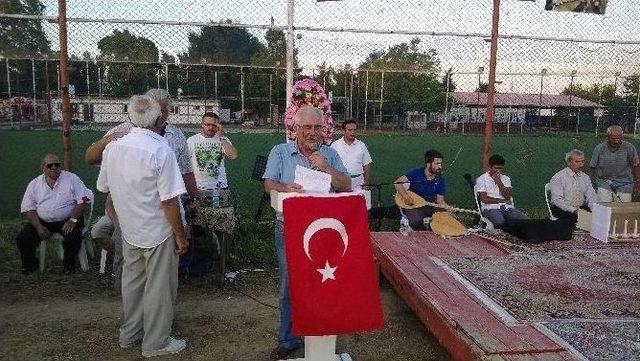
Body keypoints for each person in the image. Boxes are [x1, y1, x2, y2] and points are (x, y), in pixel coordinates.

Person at [97, 94, 189, 358]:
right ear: (160, 118)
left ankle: (130, 334)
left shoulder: (113, 147)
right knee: (160, 288)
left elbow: (105, 187)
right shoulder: (161, 150)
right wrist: (180, 235)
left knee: (133, 284)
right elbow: (169, 201)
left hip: (129, 227)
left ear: (130, 116)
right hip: (158, 230)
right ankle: (156, 342)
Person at [85, 88, 198, 288]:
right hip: (127, 211)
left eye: (165, 110)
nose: (161, 115)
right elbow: (90, 158)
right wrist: (104, 142)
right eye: (157, 110)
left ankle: (148, 304)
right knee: (127, 260)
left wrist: (195, 198)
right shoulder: (121, 132)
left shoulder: (176, 135)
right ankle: (129, 302)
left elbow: (186, 171)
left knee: (159, 267)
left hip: (162, 214)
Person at [263, 105, 351, 360]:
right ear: (296, 129)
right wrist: (285, 188)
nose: (313, 133)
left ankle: (321, 334)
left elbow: (346, 186)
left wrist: (326, 167)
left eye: (317, 128)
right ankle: (289, 339)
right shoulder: (280, 152)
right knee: (289, 286)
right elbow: (269, 185)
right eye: (308, 128)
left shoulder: (330, 154)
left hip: (326, 232)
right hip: (289, 228)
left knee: (324, 283)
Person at [16, 154, 92, 274]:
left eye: (57, 164)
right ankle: (30, 265)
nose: (54, 167)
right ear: (43, 168)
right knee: (23, 238)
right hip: (43, 221)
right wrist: (38, 227)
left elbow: (84, 200)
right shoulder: (34, 184)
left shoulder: (72, 179)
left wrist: (73, 220)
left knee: (73, 236)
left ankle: (69, 264)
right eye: (50, 165)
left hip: (69, 219)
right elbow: (28, 209)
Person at [394, 149, 448, 230]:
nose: (440, 167)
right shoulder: (416, 173)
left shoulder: (440, 179)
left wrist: (447, 208)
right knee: (415, 221)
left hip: (429, 206)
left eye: (440, 164)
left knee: (448, 218)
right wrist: (406, 197)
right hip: (414, 206)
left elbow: (440, 201)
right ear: (428, 164)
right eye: (437, 164)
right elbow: (397, 183)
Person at [187, 112, 238, 191]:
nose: (211, 127)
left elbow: (233, 156)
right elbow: (185, 163)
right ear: (202, 124)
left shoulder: (223, 140)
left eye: (214, 125)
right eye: (207, 124)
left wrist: (221, 136)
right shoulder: (192, 140)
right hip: (198, 187)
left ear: (218, 126)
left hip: (220, 186)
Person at [588, 125, 640, 202]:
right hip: (604, 182)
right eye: (613, 138)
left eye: (619, 138)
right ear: (607, 137)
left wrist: (638, 184)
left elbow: (636, 166)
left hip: (624, 182)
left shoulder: (629, 148)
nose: (616, 141)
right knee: (604, 205)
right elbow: (592, 167)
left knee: (623, 209)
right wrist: (587, 184)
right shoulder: (599, 148)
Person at [474, 155, 528, 227]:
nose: (498, 171)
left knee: (524, 219)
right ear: (490, 167)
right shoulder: (481, 179)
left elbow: (507, 197)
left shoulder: (506, 179)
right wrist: (502, 200)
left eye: (500, 168)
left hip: (507, 207)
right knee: (500, 221)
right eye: (496, 168)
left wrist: (499, 183)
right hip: (490, 208)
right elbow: (484, 199)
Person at [550, 149, 597, 223]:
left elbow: (591, 196)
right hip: (562, 207)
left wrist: (595, 210)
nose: (581, 165)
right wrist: (574, 210)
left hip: (580, 207)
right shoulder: (558, 177)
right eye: (578, 162)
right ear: (569, 162)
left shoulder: (585, 177)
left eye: (583, 161)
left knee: (595, 217)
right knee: (572, 219)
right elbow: (557, 200)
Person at [331, 119, 372, 190]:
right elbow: (330, 165)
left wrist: (366, 184)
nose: (352, 132)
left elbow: (367, 166)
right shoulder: (335, 145)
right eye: (349, 130)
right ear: (344, 131)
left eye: (354, 130)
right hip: (340, 182)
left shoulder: (362, 145)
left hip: (358, 183)